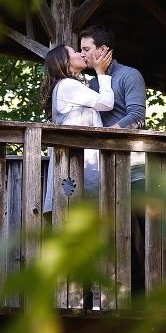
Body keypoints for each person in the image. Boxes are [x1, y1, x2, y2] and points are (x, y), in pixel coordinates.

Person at [79, 24, 148, 296]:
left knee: (147, 233)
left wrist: (104, 137)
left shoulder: (129, 76)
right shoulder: (86, 84)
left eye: (86, 49)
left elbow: (137, 116)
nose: (82, 55)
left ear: (102, 50)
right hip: (101, 174)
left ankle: (150, 301)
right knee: (113, 237)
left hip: (134, 169)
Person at [40, 44, 114, 215]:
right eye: (75, 51)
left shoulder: (68, 86)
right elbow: (107, 103)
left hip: (74, 167)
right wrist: (101, 73)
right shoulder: (67, 85)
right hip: (75, 168)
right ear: (65, 61)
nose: (81, 54)